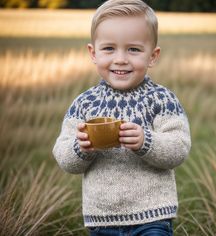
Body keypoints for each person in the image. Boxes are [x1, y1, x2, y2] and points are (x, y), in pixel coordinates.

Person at [53, 0, 191, 235]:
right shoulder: (85, 104)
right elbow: (63, 156)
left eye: (134, 49)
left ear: (153, 56)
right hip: (102, 220)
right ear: (93, 53)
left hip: (153, 216)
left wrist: (146, 142)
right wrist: (81, 148)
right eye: (109, 49)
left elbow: (179, 147)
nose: (120, 59)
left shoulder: (161, 99)